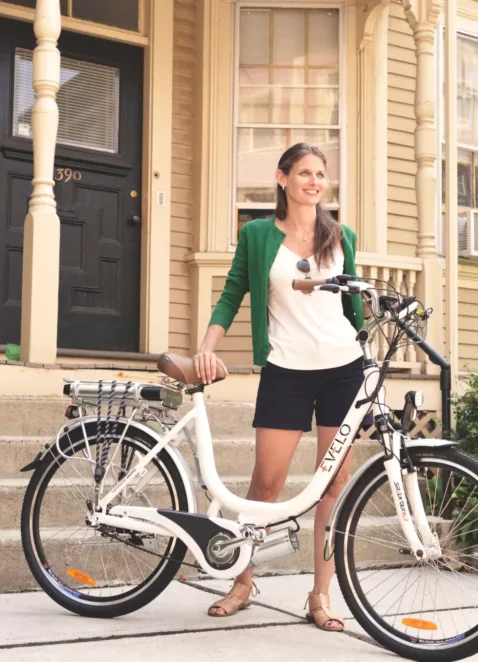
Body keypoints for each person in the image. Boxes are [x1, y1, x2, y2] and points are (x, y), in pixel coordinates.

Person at [192, 143, 366, 633]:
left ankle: (321, 594)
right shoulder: (257, 235)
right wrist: (208, 347)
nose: (314, 181)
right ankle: (243, 581)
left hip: (343, 369)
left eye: (320, 174)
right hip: (286, 369)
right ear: (282, 178)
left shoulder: (342, 236)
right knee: (266, 483)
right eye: (304, 173)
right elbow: (232, 294)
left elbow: (353, 304)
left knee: (333, 484)